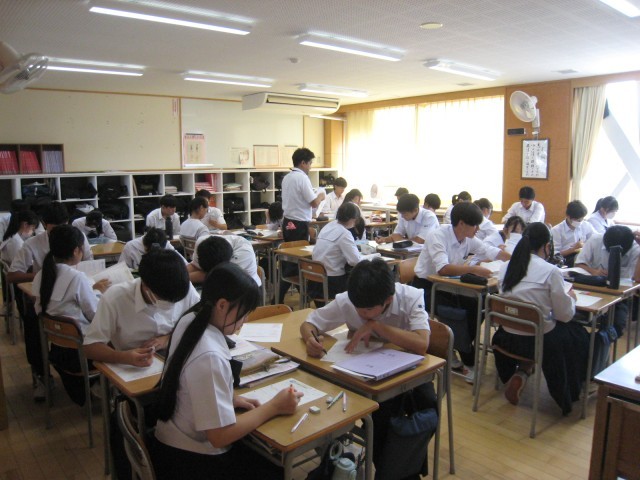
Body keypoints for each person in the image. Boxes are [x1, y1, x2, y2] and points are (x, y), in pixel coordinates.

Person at [153, 263, 302, 480]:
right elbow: (219, 436)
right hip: (190, 460)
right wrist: (274, 406)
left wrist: (227, 399)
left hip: (170, 442)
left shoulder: (191, 318)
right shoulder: (209, 356)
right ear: (222, 305)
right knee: (274, 468)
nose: (245, 320)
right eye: (243, 314)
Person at [300, 258, 432, 474]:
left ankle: (397, 468)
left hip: (405, 375)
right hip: (358, 374)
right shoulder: (350, 299)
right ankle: (346, 457)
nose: (361, 313)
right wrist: (310, 340)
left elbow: (422, 343)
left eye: (368, 310)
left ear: (388, 299)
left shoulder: (411, 297)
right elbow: (309, 323)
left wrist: (376, 326)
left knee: (422, 405)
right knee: (337, 397)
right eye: (357, 309)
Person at [494, 222, 589, 415]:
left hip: (507, 338)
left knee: (541, 325)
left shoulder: (505, 267)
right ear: (547, 246)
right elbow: (564, 315)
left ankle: (523, 371)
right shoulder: (551, 271)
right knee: (579, 335)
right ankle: (575, 390)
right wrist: (571, 298)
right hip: (540, 343)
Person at [412, 202, 510, 379]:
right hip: (427, 288)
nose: (477, 229)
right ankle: (464, 355)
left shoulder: (468, 237)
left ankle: (459, 347)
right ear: (462, 224)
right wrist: (473, 269)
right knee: (459, 313)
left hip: (450, 287)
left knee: (479, 304)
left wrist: (515, 259)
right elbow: (443, 268)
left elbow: (489, 250)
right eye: (475, 225)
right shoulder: (438, 236)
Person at [7, 202, 93, 400]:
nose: (60, 231)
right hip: (49, 299)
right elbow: (12, 276)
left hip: (66, 299)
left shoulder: (76, 238)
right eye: (55, 229)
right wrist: (46, 274)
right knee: (33, 326)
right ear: (44, 225)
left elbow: (89, 263)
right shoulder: (33, 245)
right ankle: (42, 376)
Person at [32, 225, 110, 405]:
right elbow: (95, 315)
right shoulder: (77, 277)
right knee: (119, 334)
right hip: (82, 355)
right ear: (76, 250)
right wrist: (100, 295)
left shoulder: (42, 275)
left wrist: (92, 290)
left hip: (58, 351)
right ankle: (105, 387)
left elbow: (41, 309)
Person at [84, 249, 200, 366]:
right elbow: (90, 347)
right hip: (134, 365)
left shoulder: (184, 287)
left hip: (177, 354)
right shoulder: (115, 298)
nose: (172, 305)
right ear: (145, 286)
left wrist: (168, 338)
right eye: (164, 300)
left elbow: (200, 323)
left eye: (177, 301)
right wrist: (122, 357)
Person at [575, 225, 640, 337]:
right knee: (575, 318)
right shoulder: (595, 240)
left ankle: (603, 339)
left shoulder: (636, 249)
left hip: (619, 296)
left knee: (617, 325)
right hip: (593, 289)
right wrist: (593, 271)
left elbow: (636, 279)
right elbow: (579, 264)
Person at [310, 202, 380, 305]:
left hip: (314, 280)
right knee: (363, 279)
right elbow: (355, 261)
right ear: (354, 219)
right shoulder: (344, 233)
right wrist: (374, 256)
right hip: (332, 282)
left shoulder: (329, 226)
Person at [279, 148, 325, 301]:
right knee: (298, 261)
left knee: (292, 260)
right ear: (303, 162)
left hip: (288, 222)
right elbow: (314, 203)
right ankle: (304, 296)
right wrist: (321, 195)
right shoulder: (302, 178)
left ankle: (302, 296)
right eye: (310, 163)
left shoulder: (287, 177)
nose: (310, 167)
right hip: (298, 224)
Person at [189, 234, 261, 286]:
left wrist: (184, 279)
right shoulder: (202, 243)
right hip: (221, 281)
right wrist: (182, 274)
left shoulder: (244, 254)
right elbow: (194, 265)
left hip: (246, 288)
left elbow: (217, 275)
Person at [551, 200, 595, 267]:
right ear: (568, 217)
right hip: (566, 259)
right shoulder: (557, 230)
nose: (580, 222)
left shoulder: (585, 225)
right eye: (578, 220)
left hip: (583, 255)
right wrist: (573, 249)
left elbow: (595, 238)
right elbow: (555, 255)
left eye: (582, 219)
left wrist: (585, 245)